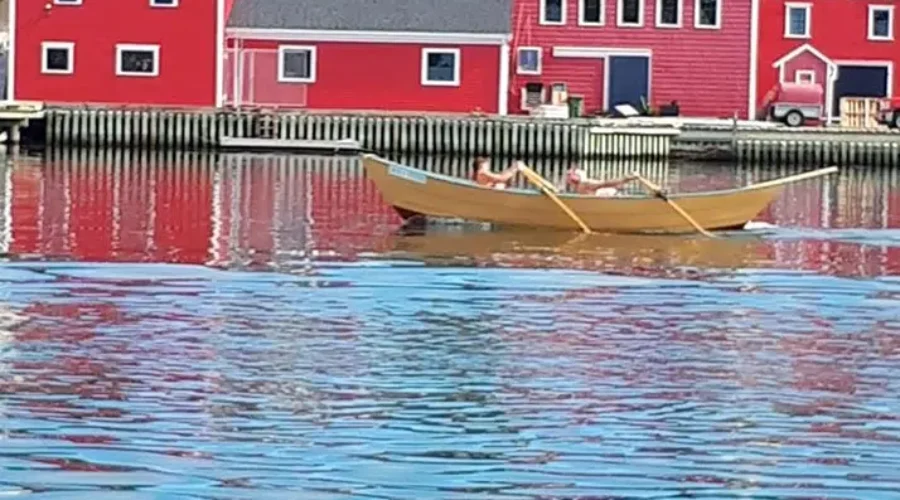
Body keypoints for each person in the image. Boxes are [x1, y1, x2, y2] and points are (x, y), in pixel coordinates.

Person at [566, 167, 638, 197]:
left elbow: (606, 183)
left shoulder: (583, 185)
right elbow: (606, 183)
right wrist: (627, 178)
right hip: (614, 197)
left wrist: (627, 179)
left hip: (615, 196)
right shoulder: (584, 185)